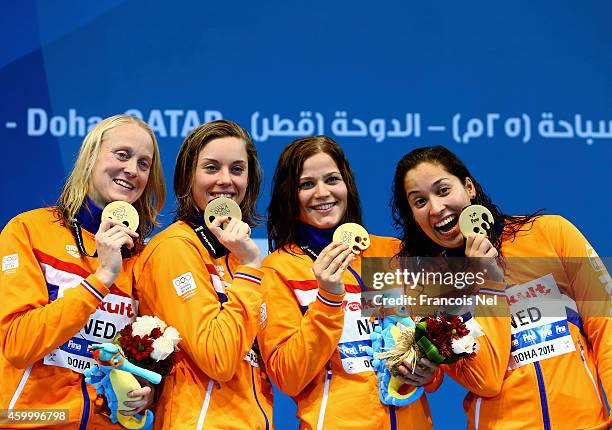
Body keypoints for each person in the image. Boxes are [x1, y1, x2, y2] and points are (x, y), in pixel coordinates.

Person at [391, 145, 611, 430]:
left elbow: (605, 327)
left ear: (468, 187)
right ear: (413, 216)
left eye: (443, 190)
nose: (436, 208)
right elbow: (486, 379)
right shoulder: (427, 288)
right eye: (420, 202)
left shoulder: (550, 234)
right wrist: (487, 280)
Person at [259, 135, 440, 430]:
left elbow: (429, 345)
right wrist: (328, 299)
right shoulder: (280, 269)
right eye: (307, 184)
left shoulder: (389, 253)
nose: (322, 192)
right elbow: (288, 377)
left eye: (332, 179)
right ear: (288, 195)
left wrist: (428, 371)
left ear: (347, 185)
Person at [0, 114, 166, 428]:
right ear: (91, 156)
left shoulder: (144, 260)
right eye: (122, 155)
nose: (132, 170)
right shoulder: (28, 231)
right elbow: (18, 345)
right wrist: (102, 278)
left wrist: (150, 392)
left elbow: (148, 357)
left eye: (144, 164)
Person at [132, 120, 272, 429]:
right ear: (187, 177)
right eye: (211, 168)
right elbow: (218, 359)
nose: (225, 180)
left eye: (237, 169)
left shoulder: (237, 254)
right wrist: (250, 267)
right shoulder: (176, 248)